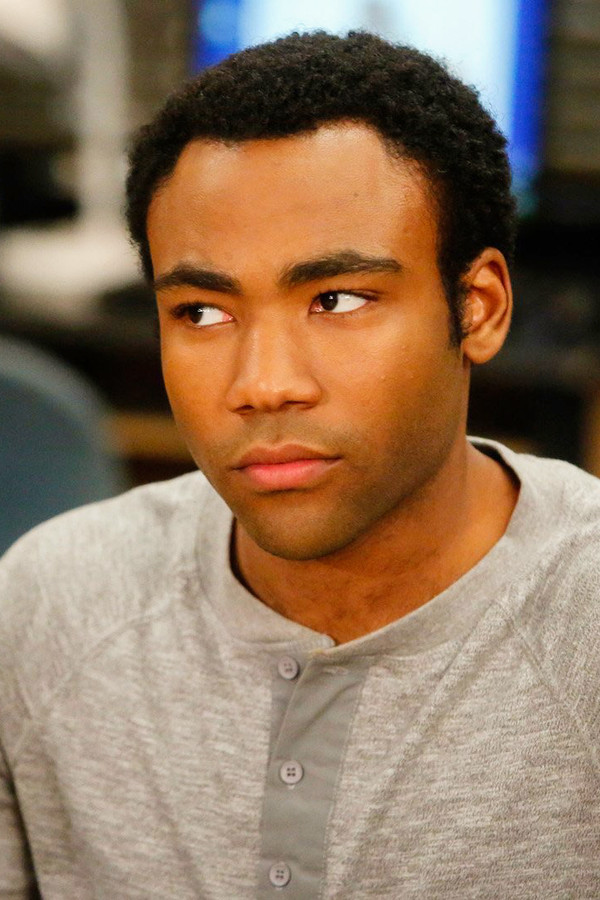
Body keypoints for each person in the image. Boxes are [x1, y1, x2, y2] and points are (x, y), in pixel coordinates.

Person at [1, 30, 599, 899]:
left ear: (478, 308)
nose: (263, 384)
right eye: (202, 313)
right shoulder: (49, 604)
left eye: (338, 299)